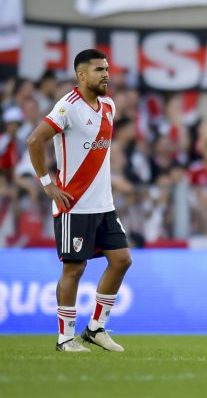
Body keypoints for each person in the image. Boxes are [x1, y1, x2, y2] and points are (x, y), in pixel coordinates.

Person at [27, 49, 132, 352]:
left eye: (107, 69)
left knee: (122, 260)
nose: (106, 75)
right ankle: (65, 339)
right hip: (74, 205)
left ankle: (96, 328)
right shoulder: (67, 107)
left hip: (104, 206)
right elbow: (35, 140)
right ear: (81, 74)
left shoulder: (109, 106)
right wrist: (48, 184)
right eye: (99, 69)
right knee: (74, 269)